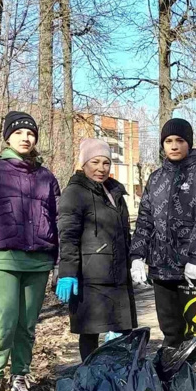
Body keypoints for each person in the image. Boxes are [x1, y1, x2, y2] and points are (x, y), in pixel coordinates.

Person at [0, 111, 60, 391]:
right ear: (8, 136)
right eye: (19, 132)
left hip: (39, 260)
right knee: (4, 322)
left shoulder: (46, 177)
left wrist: (59, 261)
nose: (26, 137)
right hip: (5, 258)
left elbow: (58, 218)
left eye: (31, 133)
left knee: (27, 325)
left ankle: (20, 376)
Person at [130, 118, 196, 349]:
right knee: (170, 330)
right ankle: (172, 383)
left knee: (195, 328)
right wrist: (137, 257)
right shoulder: (155, 178)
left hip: (191, 270)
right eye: (168, 141)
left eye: (179, 140)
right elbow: (145, 219)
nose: (174, 146)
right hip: (161, 267)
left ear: (189, 143)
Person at [56, 138, 137, 361]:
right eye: (95, 162)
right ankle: (89, 382)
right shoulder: (74, 193)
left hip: (118, 277)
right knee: (90, 332)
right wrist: (68, 273)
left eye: (106, 163)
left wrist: (135, 260)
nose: (101, 168)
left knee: (121, 333)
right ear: (84, 163)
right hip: (89, 278)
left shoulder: (114, 193)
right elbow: (68, 236)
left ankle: (114, 385)